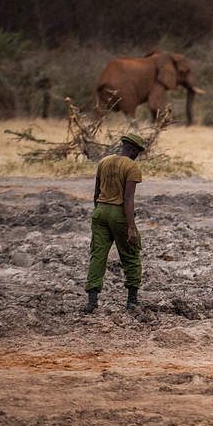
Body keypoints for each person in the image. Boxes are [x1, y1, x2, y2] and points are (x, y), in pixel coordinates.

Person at [84, 133, 145, 313]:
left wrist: (99, 210)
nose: (137, 156)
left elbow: (96, 193)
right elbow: (128, 199)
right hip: (119, 214)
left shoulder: (104, 162)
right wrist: (131, 227)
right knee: (131, 255)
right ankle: (132, 301)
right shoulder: (132, 167)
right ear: (132, 150)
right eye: (138, 152)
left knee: (97, 255)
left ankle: (92, 302)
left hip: (100, 211)